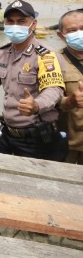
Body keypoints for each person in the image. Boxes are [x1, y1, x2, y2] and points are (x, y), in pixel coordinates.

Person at [0, 0, 67, 162]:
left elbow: (54, 89)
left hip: (36, 137)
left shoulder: (45, 56)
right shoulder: (3, 53)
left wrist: (37, 105)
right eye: (10, 21)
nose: (15, 25)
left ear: (33, 24)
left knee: (32, 185)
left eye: (21, 21)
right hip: (7, 131)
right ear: (4, 23)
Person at [56, 9, 83, 164]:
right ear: (61, 35)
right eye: (72, 30)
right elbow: (49, 101)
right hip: (70, 145)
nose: (79, 33)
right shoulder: (53, 61)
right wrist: (70, 101)